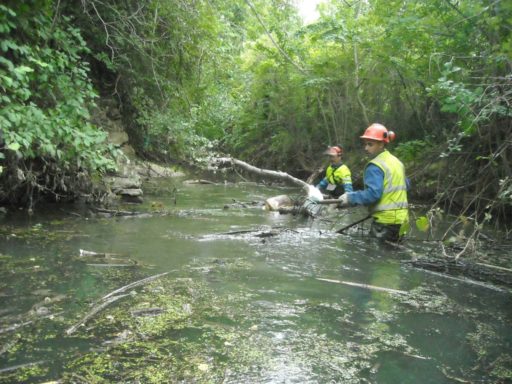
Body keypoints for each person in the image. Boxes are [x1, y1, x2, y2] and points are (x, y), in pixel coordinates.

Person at [337, 123, 409, 242]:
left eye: (370, 144)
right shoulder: (397, 162)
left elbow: (373, 194)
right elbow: (405, 185)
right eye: (365, 144)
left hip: (385, 222)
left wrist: (349, 198)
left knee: (377, 256)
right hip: (402, 221)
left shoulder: (375, 166)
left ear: (381, 144)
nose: (366, 148)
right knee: (393, 257)